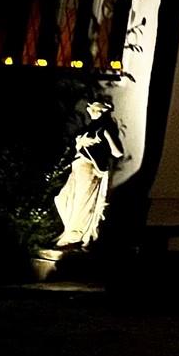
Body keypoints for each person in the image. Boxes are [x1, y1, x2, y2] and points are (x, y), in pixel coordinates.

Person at [54, 96, 127, 247]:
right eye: (92, 109)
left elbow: (117, 152)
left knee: (82, 201)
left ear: (102, 112)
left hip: (89, 167)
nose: (93, 112)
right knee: (62, 198)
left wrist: (105, 138)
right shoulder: (87, 129)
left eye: (96, 109)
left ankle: (75, 234)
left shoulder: (103, 129)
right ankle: (71, 231)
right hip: (77, 166)